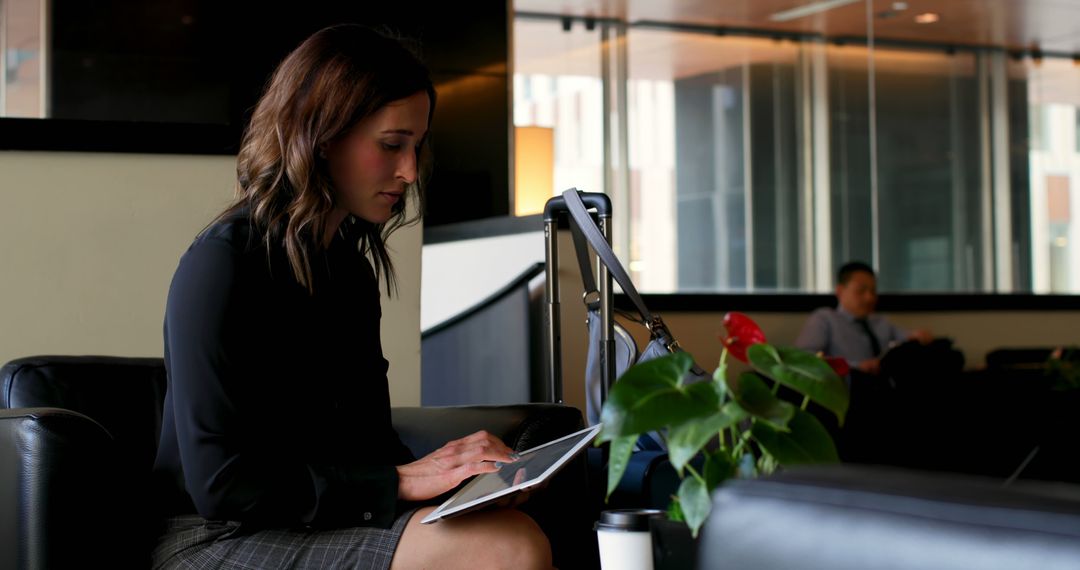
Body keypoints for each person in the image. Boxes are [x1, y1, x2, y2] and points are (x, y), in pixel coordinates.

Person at [151, 25, 553, 570]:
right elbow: (221, 485)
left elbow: (368, 449)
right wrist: (401, 481)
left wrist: (456, 483)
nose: (409, 171)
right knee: (506, 547)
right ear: (321, 136)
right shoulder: (223, 263)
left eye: (416, 146)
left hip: (317, 522)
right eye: (391, 145)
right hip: (213, 536)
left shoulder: (347, 270)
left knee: (514, 525)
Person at [795, 261, 932, 375]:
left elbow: (905, 338)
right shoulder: (825, 318)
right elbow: (805, 357)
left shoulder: (880, 322)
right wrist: (855, 366)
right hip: (846, 389)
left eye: (873, 291)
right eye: (861, 291)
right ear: (840, 291)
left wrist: (918, 336)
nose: (869, 298)